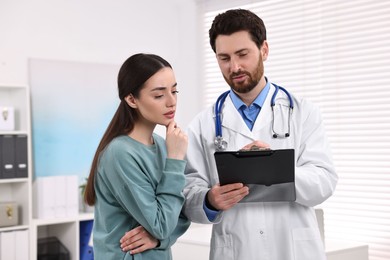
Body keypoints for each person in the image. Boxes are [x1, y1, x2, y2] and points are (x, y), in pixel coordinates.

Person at [182, 9, 338, 260]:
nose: (234, 67)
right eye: (224, 58)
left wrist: (274, 168)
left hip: (293, 249)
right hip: (237, 249)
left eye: (243, 54)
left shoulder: (303, 112)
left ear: (264, 49)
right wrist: (210, 199)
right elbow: (189, 192)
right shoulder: (204, 124)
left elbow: (325, 180)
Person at [84, 53, 190, 260]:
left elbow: (182, 214)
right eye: (159, 95)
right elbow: (161, 225)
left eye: (174, 91)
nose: (171, 102)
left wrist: (160, 239)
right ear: (132, 99)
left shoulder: (163, 145)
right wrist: (176, 160)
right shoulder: (120, 153)